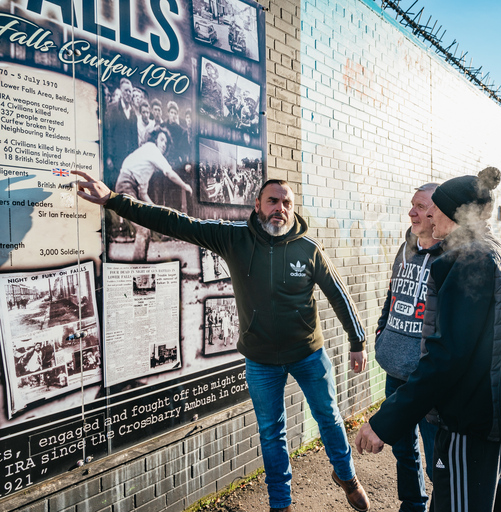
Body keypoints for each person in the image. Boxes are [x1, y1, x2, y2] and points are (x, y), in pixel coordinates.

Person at [72, 172, 370, 512]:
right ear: (257, 205)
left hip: (307, 354)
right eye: (273, 201)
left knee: (328, 418)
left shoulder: (308, 248)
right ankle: (281, 504)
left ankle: (347, 477)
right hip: (260, 361)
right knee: (272, 434)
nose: (280, 208)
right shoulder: (234, 238)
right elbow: (176, 223)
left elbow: (338, 294)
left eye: (286, 203)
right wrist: (113, 199)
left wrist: (357, 341)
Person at [356, 168, 501, 512]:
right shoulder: (494, 254)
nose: (428, 216)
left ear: (457, 214)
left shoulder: (468, 261)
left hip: (468, 422)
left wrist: (384, 421)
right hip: (491, 416)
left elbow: (446, 356)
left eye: (435, 209)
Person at [374, 183, 442, 512]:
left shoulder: (452, 254)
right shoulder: (406, 246)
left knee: (437, 459)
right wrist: (382, 329)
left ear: (438, 212)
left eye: (420, 206)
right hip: (394, 369)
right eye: (411, 205)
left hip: (427, 378)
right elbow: (393, 291)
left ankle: (446, 504)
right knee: (402, 449)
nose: (412, 212)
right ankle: (413, 504)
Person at [113, 126, 193, 261]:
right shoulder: (151, 148)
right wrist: (185, 186)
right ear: (155, 139)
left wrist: (159, 211)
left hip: (129, 187)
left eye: (166, 142)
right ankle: (138, 268)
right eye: (161, 140)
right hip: (125, 186)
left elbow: (143, 194)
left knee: (145, 230)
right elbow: (169, 173)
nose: (163, 144)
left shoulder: (145, 165)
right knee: (143, 230)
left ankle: (140, 264)